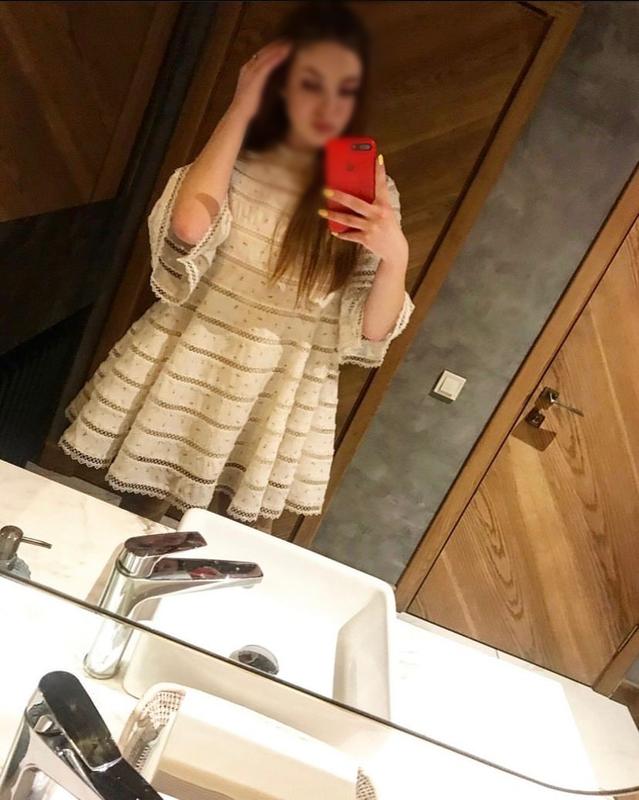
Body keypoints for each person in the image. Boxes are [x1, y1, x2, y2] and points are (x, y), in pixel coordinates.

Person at [58, 1, 414, 531]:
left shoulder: (372, 193)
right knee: (136, 527)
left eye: (345, 89)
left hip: (280, 391)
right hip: (192, 363)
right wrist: (241, 105)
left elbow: (371, 331)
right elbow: (187, 230)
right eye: (310, 83)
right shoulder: (233, 163)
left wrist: (395, 253)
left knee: (233, 546)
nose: (328, 104)